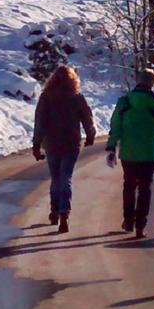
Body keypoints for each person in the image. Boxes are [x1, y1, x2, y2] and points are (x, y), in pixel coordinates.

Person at [106, 68, 154, 238]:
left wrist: (111, 147)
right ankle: (140, 225)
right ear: (153, 84)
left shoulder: (124, 102)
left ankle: (128, 220)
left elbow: (115, 126)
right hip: (150, 153)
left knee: (128, 185)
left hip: (128, 152)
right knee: (145, 188)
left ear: (138, 81)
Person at [32, 65, 97, 234]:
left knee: (55, 178)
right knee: (65, 177)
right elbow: (87, 118)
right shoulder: (77, 97)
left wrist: (36, 144)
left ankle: (54, 211)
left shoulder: (46, 97)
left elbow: (40, 122)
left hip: (52, 143)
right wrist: (90, 135)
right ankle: (64, 213)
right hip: (71, 143)